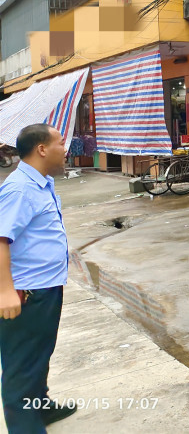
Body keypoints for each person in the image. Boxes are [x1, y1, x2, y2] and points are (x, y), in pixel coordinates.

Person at [0, 124, 77, 431]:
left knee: (40, 354)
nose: (66, 149)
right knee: (22, 365)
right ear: (42, 149)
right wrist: (5, 291)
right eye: (61, 143)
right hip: (26, 293)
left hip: (46, 286)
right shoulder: (19, 189)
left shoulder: (41, 182)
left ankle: (41, 406)